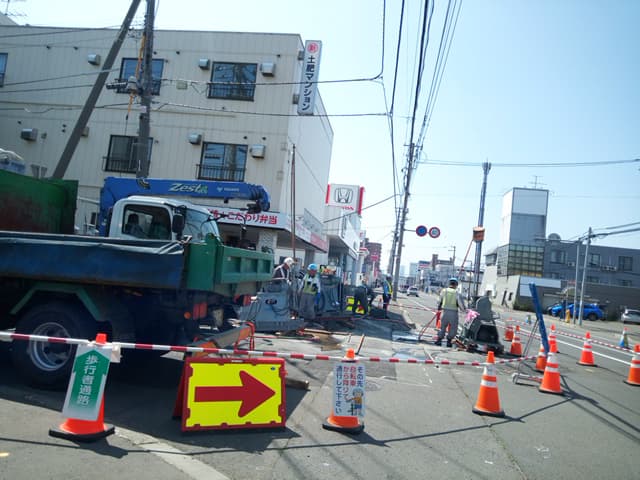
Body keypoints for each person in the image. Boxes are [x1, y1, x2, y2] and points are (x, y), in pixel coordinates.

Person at [435, 277, 467, 347]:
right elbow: (460, 304)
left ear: (449, 284)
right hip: (453, 313)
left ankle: (439, 340)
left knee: (442, 326)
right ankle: (449, 342)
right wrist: (464, 310)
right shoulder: (457, 293)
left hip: (444, 312)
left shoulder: (444, 291)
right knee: (453, 328)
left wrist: (438, 307)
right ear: (456, 285)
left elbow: (439, 300)